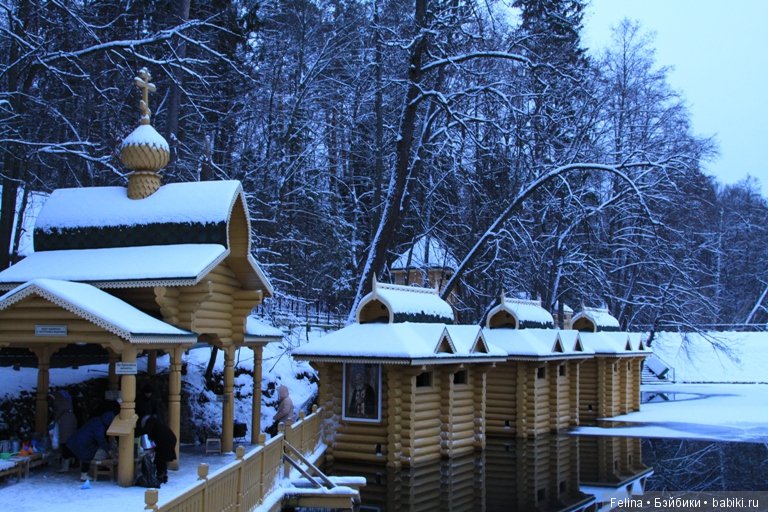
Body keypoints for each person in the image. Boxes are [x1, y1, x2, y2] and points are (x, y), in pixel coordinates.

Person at [65, 410, 115, 481]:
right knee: (90, 455)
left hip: (75, 441)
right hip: (83, 444)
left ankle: (67, 468)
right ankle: (84, 475)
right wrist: (109, 450)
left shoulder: (96, 420)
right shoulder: (99, 427)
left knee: (87, 454)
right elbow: (100, 440)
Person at [142, 415, 177, 484]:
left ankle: (160, 475)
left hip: (164, 441)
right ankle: (163, 475)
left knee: (159, 458)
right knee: (162, 458)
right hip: (170, 439)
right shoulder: (156, 422)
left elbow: (149, 434)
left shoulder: (150, 424)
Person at [52, 390, 78, 472]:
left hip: (64, 421)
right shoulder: (68, 402)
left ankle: (65, 466)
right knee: (69, 442)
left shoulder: (60, 401)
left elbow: (58, 412)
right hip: (69, 420)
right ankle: (71, 461)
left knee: (65, 442)